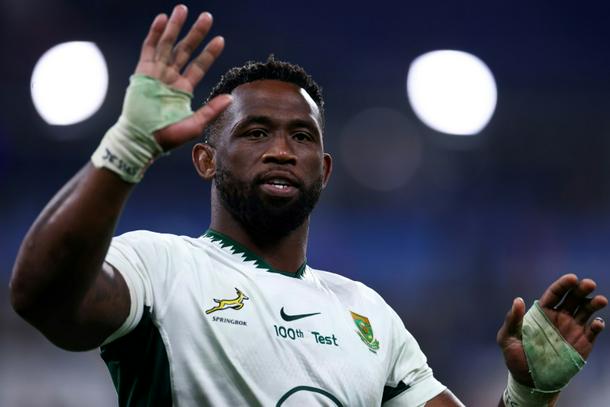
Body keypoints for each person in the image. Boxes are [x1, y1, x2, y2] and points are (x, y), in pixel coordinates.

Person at [9, 4, 607, 406]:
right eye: (254, 132)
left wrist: (527, 395)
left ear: (323, 170)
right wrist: (128, 147)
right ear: (206, 160)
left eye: (301, 136)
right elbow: (40, 296)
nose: (280, 150)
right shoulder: (158, 265)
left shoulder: (369, 316)